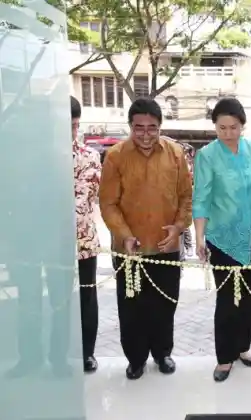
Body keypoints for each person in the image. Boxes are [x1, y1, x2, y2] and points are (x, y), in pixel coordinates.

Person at [100, 98, 193, 380]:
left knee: (165, 304)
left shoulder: (176, 154)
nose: (145, 134)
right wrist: (125, 236)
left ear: (160, 127)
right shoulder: (116, 156)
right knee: (132, 308)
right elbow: (108, 204)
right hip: (130, 250)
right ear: (130, 126)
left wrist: (178, 228)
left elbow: (186, 197)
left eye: (152, 128)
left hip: (167, 246)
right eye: (139, 128)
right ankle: (136, 358)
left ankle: (163, 353)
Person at [193, 98, 251, 382]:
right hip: (222, 238)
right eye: (221, 127)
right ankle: (224, 357)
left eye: (233, 127)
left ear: (242, 125)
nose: (227, 133)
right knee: (227, 300)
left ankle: (242, 347)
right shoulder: (207, 156)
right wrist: (200, 238)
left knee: (247, 296)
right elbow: (201, 199)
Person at [71, 96, 102, 373]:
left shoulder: (90, 156)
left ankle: (86, 353)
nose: (71, 131)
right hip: (45, 247)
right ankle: (57, 354)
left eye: (74, 125)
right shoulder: (36, 157)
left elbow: (89, 200)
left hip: (83, 244)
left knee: (86, 298)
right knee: (55, 301)